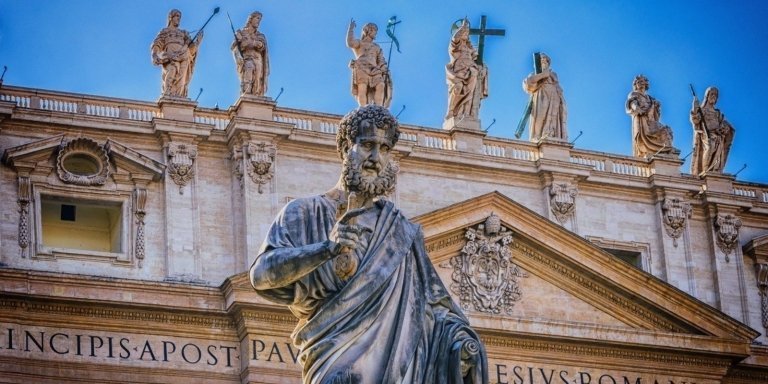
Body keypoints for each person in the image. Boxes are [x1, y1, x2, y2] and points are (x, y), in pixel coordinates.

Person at [250, 105, 487, 384]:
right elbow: (261, 276)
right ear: (344, 149)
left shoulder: (401, 231)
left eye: (385, 149)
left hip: (398, 370)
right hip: (332, 359)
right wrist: (326, 249)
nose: (376, 158)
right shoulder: (305, 212)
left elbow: (434, 307)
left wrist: (460, 343)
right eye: (367, 145)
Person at [150, 9, 202, 98]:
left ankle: (179, 98)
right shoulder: (165, 31)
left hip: (184, 56)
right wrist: (154, 54)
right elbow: (157, 44)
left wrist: (198, 41)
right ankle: (168, 95)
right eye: (177, 16)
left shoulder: (183, 33)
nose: (179, 19)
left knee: (182, 80)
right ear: (171, 17)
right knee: (172, 71)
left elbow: (191, 48)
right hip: (170, 56)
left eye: (179, 17)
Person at [445, 19, 488, 120]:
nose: (465, 34)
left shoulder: (470, 49)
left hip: (471, 73)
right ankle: (452, 111)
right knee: (457, 88)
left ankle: (466, 114)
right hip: (459, 74)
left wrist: (482, 67)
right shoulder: (454, 47)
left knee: (471, 92)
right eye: (464, 32)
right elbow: (454, 39)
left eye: (467, 32)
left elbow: (478, 60)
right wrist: (463, 27)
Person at [625, 75, 675, 158]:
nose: (641, 84)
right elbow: (632, 103)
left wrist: (656, 106)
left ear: (646, 84)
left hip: (651, 120)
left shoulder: (650, 98)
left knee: (666, 130)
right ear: (635, 84)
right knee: (661, 131)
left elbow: (656, 113)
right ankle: (658, 150)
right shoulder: (633, 94)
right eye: (638, 82)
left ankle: (667, 149)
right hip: (643, 120)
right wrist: (637, 109)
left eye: (642, 82)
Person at [346, 20, 392, 107]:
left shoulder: (377, 47)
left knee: (381, 85)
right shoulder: (360, 43)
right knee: (362, 88)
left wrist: (383, 67)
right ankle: (363, 108)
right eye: (375, 31)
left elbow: (381, 60)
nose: (376, 34)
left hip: (375, 69)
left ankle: (378, 108)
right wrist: (351, 29)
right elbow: (350, 43)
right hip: (361, 67)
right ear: (368, 31)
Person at [690, 87, 735, 175]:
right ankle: (705, 170)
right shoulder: (702, 110)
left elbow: (723, 124)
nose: (714, 96)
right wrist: (695, 107)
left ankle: (714, 170)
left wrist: (724, 128)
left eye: (716, 95)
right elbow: (695, 121)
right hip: (706, 135)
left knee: (717, 150)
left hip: (718, 135)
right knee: (710, 146)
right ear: (707, 96)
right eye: (712, 94)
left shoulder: (717, 113)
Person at [523, 53, 567, 141]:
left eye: (544, 59)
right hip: (541, 95)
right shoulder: (534, 74)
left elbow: (559, 88)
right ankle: (537, 137)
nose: (543, 60)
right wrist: (543, 75)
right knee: (540, 117)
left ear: (548, 62)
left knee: (553, 118)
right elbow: (527, 83)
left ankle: (552, 136)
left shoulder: (554, 75)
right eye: (541, 59)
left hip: (554, 96)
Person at [232, 12, 269, 96]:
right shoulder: (241, 33)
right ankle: (246, 94)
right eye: (257, 18)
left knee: (257, 80)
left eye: (259, 20)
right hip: (247, 58)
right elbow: (234, 47)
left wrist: (251, 43)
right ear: (251, 19)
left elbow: (262, 45)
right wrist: (240, 43)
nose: (258, 21)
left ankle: (256, 97)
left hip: (258, 60)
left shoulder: (259, 35)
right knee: (249, 69)